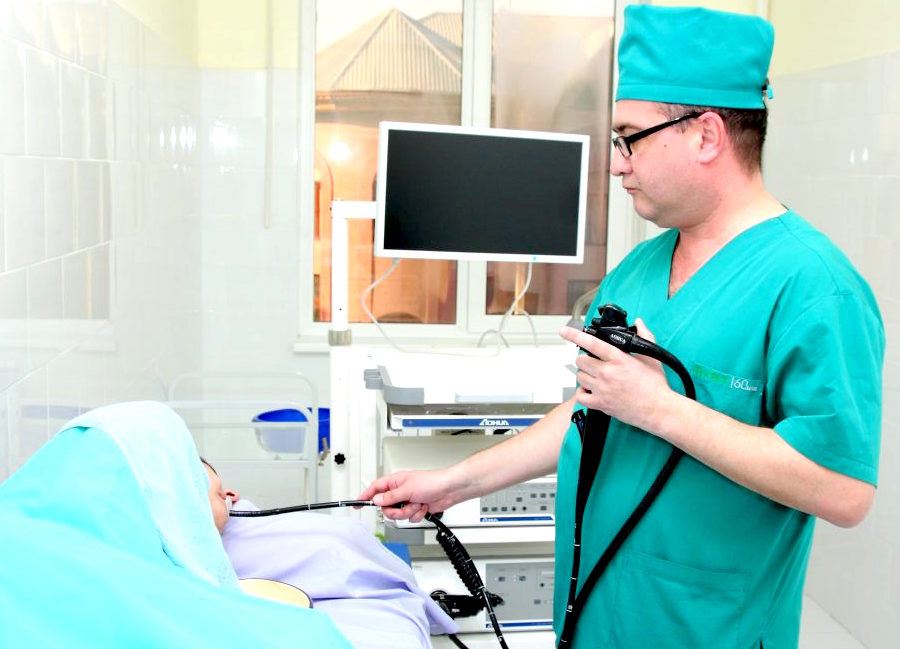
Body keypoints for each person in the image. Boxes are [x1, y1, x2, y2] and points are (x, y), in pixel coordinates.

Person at [360, 6, 884, 649]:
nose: (616, 164)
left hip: (706, 628)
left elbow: (844, 490)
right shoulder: (640, 267)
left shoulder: (813, 285)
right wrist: (453, 483)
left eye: (629, 137)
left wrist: (661, 409)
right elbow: (591, 411)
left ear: (706, 135)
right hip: (594, 613)